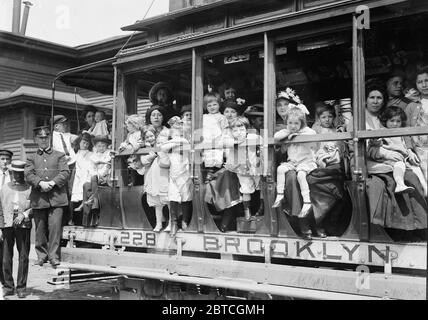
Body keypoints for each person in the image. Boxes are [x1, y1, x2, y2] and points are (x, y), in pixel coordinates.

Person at [25, 126, 70, 267]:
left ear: (49, 138)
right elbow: (28, 174)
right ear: (36, 139)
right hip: (39, 198)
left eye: (46, 137)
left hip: (57, 198)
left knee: (55, 229)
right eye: (40, 137)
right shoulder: (31, 157)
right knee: (39, 229)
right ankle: (41, 256)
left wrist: (52, 182)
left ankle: (53, 256)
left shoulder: (59, 155)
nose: (43, 140)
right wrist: (40, 183)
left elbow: (65, 172)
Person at [273, 107, 317, 228]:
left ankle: (307, 202)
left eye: (296, 123)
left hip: (306, 162)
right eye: (290, 123)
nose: (293, 126)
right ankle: (280, 195)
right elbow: (277, 136)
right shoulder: (287, 130)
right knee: (280, 169)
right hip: (293, 163)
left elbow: (312, 133)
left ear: (301, 123)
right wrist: (289, 132)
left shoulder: (306, 130)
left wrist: (297, 134)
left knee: (301, 175)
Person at [369, 106, 427, 195]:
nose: (395, 124)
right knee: (399, 165)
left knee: (417, 169)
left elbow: (405, 143)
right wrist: (375, 139)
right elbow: (375, 144)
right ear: (385, 121)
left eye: (398, 121)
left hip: (403, 159)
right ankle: (400, 184)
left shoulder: (401, 132)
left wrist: (410, 152)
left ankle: (425, 189)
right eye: (392, 121)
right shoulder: (382, 131)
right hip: (388, 160)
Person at [0, 160, 32, 298]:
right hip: (7, 224)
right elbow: (0, 208)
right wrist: (0, 227)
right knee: (6, 257)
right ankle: (8, 286)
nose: (17, 176)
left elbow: (36, 206)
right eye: (15, 173)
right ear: (11, 173)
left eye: (20, 174)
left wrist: (24, 215)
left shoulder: (30, 188)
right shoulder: (4, 188)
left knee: (23, 256)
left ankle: (21, 287)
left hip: (23, 225)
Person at [224, 117, 263, 220]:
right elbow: (223, 142)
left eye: (241, 129)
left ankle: (262, 207)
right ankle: (247, 211)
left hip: (255, 167)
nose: (238, 133)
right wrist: (235, 142)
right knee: (246, 189)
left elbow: (262, 141)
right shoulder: (231, 140)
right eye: (235, 130)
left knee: (261, 186)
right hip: (241, 169)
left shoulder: (252, 137)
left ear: (246, 129)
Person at [160, 117, 193, 236]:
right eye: (173, 132)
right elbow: (163, 147)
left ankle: (185, 220)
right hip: (173, 174)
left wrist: (174, 141)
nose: (176, 134)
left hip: (184, 173)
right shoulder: (174, 143)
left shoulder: (184, 141)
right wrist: (173, 141)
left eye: (178, 131)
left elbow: (182, 143)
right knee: (173, 197)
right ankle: (173, 222)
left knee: (185, 197)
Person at [139, 125, 170, 232]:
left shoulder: (160, 144)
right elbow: (143, 161)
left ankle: (170, 223)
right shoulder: (145, 149)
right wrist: (151, 154)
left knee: (167, 200)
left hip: (162, 176)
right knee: (156, 203)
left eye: (151, 136)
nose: (150, 139)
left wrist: (158, 152)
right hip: (152, 178)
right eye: (146, 137)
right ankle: (159, 223)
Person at [81, 135, 112, 227]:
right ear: (96, 147)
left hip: (106, 177)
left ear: (106, 146)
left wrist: (100, 175)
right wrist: (96, 175)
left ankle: (94, 204)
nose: (101, 148)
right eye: (99, 146)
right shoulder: (93, 155)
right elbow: (91, 169)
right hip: (95, 178)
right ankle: (87, 219)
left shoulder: (108, 154)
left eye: (103, 146)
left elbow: (107, 167)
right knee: (86, 186)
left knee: (94, 178)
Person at [405, 67, 428, 183]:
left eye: (427, 80)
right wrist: (409, 150)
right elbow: (406, 130)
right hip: (421, 150)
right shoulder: (411, 106)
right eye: (420, 82)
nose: (424, 85)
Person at [202, 92, 228, 182]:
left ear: (219, 105)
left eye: (214, 104)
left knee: (217, 160)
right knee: (207, 160)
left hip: (218, 141)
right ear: (206, 107)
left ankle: (215, 176)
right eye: (209, 106)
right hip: (207, 141)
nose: (212, 107)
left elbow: (225, 130)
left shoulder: (222, 117)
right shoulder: (204, 117)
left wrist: (224, 143)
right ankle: (209, 174)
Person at [312, 103, 344, 168]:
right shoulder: (317, 130)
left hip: (333, 157)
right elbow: (314, 148)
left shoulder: (336, 131)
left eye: (330, 116)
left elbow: (340, 147)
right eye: (323, 117)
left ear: (334, 117)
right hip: (319, 157)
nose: (327, 120)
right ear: (319, 119)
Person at [70, 133, 94, 219]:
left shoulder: (91, 154)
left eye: (87, 143)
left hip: (86, 175)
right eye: (83, 142)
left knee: (84, 195)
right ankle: (75, 218)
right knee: (76, 197)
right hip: (77, 177)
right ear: (79, 142)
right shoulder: (75, 154)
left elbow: (91, 167)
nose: (85, 145)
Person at [0, 149, 13, 290]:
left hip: (9, 218)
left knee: (6, 253)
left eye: (7, 159)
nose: (5, 162)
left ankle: (6, 282)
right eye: (2, 159)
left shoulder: (14, 176)